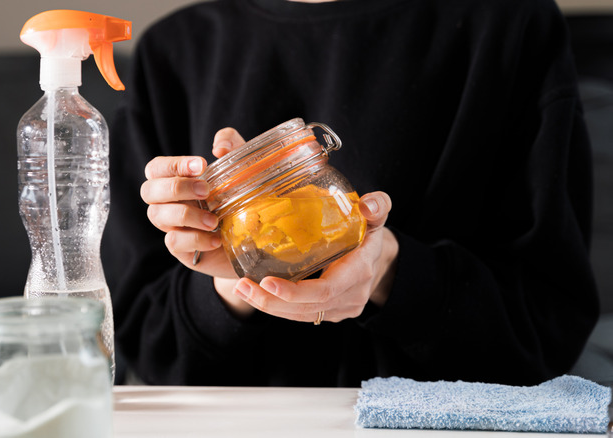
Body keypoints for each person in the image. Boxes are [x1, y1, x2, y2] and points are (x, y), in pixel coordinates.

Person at [101, 0, 599, 387]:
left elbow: (548, 330)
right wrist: (236, 278)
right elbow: (142, 348)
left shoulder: (512, 24)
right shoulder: (172, 51)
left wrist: (391, 274)